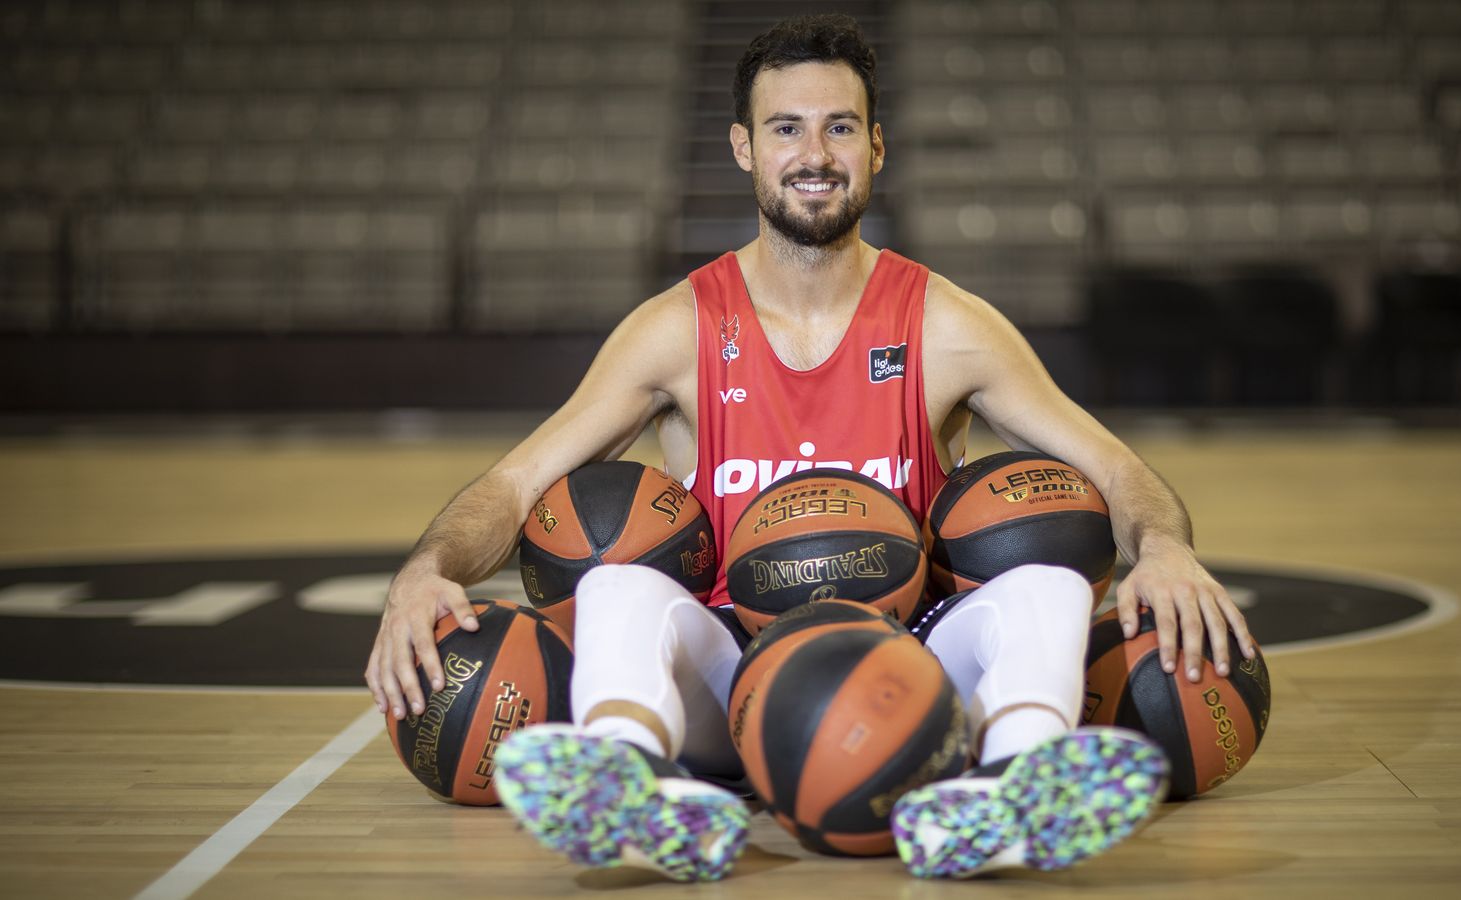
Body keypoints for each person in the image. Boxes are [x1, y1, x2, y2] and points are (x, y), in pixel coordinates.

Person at [366, 14, 1255, 882]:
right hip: (738, 678)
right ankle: (631, 786)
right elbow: (517, 482)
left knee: (1051, 585)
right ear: (745, 148)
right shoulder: (676, 329)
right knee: (617, 585)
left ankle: (1011, 792)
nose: (815, 155)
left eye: (838, 128)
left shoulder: (947, 324)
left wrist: (1167, 547)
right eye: (786, 128)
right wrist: (426, 568)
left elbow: (1114, 468)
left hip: (904, 668)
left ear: (876, 146)